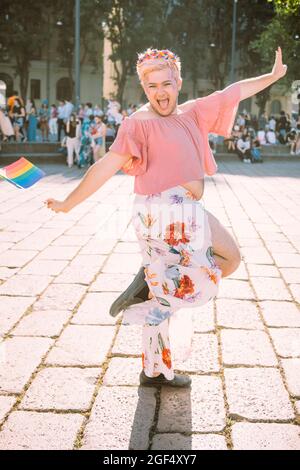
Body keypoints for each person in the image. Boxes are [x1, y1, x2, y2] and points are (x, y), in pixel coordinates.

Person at [44, 46, 287, 387]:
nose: (160, 92)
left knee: (166, 291)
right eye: (152, 86)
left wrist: (274, 76)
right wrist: (69, 203)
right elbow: (104, 167)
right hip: (164, 210)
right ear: (145, 88)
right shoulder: (137, 124)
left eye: (166, 84)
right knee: (229, 258)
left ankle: (154, 369)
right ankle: (149, 291)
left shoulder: (191, 113)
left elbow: (235, 91)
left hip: (177, 210)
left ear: (178, 82)